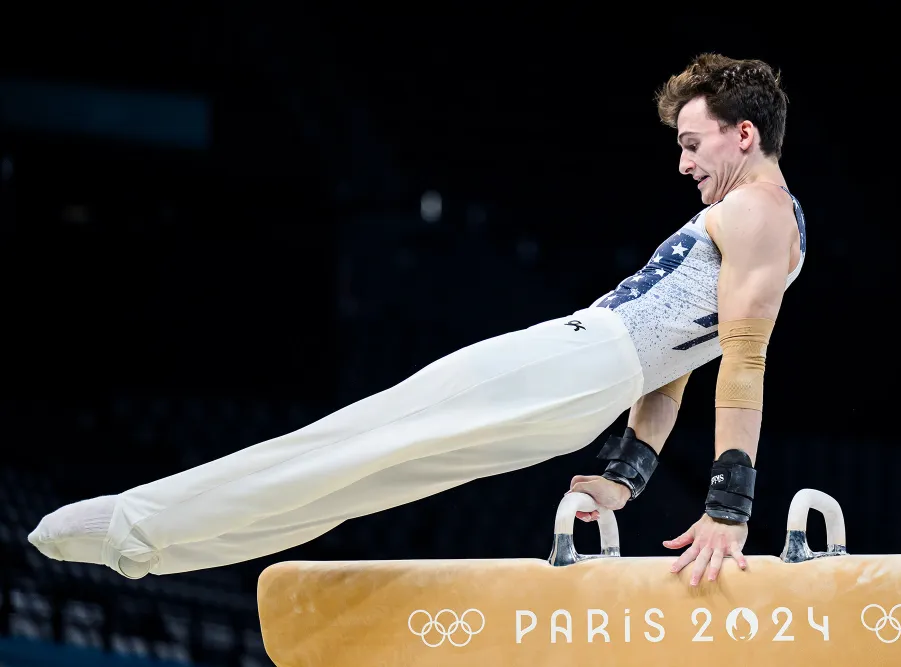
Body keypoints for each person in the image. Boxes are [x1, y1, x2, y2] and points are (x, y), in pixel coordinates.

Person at [27, 53, 805, 587]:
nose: (683, 163)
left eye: (692, 144)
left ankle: (132, 522)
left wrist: (727, 509)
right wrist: (624, 475)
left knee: (359, 439)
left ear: (744, 133)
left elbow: (742, 362)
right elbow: (679, 365)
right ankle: (151, 546)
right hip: (589, 390)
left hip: (579, 360)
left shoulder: (755, 212)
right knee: (373, 474)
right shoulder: (774, 228)